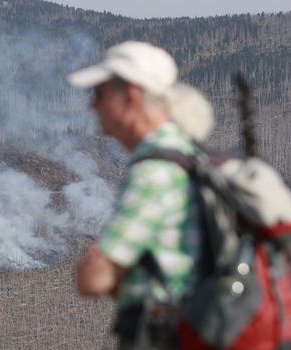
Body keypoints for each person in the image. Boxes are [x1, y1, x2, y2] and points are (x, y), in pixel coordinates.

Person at [68, 41, 214, 348]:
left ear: (130, 96)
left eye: (99, 94)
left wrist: (94, 264)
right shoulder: (187, 154)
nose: (92, 106)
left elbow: (94, 280)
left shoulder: (154, 172)